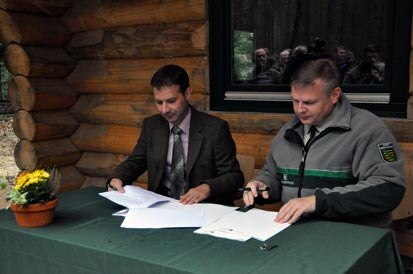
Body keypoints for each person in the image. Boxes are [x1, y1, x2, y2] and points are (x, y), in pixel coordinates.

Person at [243, 58, 405, 227]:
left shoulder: (368, 130)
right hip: (295, 232)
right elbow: (273, 174)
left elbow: (389, 189)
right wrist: (262, 185)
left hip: (350, 235)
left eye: (309, 102)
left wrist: (317, 202)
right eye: (295, 100)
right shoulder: (289, 130)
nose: (299, 109)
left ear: (334, 95)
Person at [108, 64, 244, 205]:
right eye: (159, 102)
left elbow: (234, 176)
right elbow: (136, 162)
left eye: (171, 101)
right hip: (161, 207)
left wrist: (207, 188)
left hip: (204, 208)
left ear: (187, 94)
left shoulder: (215, 129)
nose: (165, 110)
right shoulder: (152, 126)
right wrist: (118, 178)